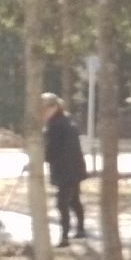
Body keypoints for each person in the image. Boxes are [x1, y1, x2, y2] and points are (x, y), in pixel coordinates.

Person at [41, 92, 88, 248]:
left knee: (62, 203)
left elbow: (52, 149)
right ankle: (80, 229)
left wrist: (41, 158)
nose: (43, 112)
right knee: (74, 200)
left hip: (66, 169)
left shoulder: (56, 125)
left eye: (46, 109)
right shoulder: (66, 120)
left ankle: (64, 237)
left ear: (55, 107)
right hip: (75, 168)